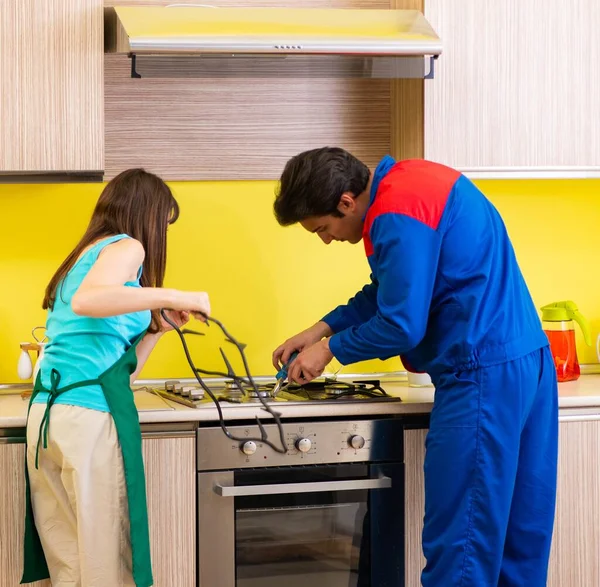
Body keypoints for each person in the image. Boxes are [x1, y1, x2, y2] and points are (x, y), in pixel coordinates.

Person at [272, 148, 558, 586]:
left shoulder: (395, 212)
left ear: (347, 202)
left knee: (461, 553)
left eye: (323, 229)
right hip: (528, 363)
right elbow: (388, 292)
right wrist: (319, 329)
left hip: (480, 374)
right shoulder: (413, 183)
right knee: (518, 547)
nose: (326, 240)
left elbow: (401, 324)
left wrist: (330, 350)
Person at [22, 169, 211, 587]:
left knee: (68, 560)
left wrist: (155, 330)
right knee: (106, 560)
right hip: (87, 421)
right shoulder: (127, 246)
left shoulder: (84, 256)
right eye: (164, 222)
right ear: (147, 214)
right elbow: (91, 301)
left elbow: (122, 370)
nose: (162, 233)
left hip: (50, 418)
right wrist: (174, 295)